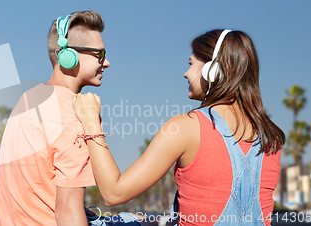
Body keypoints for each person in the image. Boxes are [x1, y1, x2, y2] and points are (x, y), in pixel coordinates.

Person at [72, 29, 284, 226]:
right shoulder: (271, 138)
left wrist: (91, 121)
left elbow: (114, 193)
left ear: (212, 70)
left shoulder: (187, 127)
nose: (186, 73)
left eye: (191, 64)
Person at [0, 11, 111, 226]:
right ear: (69, 56)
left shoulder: (27, 99)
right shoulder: (76, 113)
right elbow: (68, 215)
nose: (107, 62)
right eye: (99, 55)